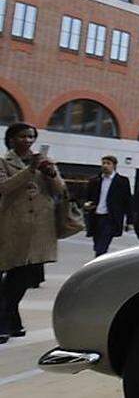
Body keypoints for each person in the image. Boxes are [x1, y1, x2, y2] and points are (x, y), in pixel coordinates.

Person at [0, 123, 66, 343]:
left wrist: (51, 173)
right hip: (12, 225)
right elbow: (4, 187)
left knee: (24, 276)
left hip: (39, 228)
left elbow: (60, 191)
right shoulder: (3, 161)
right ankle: (7, 319)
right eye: (22, 136)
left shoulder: (45, 162)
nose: (28, 140)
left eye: (31, 136)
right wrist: (29, 170)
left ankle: (10, 318)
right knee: (11, 273)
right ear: (11, 139)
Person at [83, 155, 132, 256]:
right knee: (97, 243)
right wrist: (87, 205)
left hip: (110, 218)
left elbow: (127, 201)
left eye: (108, 163)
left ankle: (98, 262)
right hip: (96, 216)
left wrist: (130, 221)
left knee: (102, 246)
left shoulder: (122, 181)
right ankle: (99, 257)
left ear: (114, 166)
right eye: (103, 163)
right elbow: (87, 197)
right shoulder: (95, 180)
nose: (105, 166)